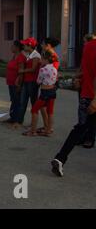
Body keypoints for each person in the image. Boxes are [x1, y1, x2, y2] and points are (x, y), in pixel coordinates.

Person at [51, 35, 96, 177]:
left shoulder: (88, 46)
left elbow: (84, 70)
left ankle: (60, 158)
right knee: (81, 128)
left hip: (86, 95)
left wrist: (78, 80)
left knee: (80, 128)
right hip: (93, 96)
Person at [23, 51, 58, 136]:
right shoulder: (54, 68)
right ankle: (48, 130)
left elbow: (38, 81)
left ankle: (33, 130)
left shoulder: (43, 69)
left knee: (34, 110)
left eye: (42, 59)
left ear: (46, 60)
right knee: (50, 111)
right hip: (52, 91)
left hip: (44, 92)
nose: (40, 61)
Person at [13, 37, 41, 129]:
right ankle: (19, 121)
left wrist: (22, 71)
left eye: (25, 45)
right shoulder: (30, 55)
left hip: (32, 82)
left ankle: (33, 124)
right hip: (27, 81)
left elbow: (33, 69)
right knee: (23, 102)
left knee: (33, 103)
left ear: (30, 46)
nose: (23, 46)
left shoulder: (36, 55)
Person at [4, 40, 26, 124]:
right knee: (13, 100)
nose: (11, 48)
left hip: (16, 84)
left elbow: (21, 72)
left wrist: (19, 85)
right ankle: (12, 118)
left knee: (17, 101)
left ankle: (17, 120)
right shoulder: (14, 56)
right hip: (10, 83)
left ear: (17, 48)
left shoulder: (21, 57)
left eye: (12, 46)